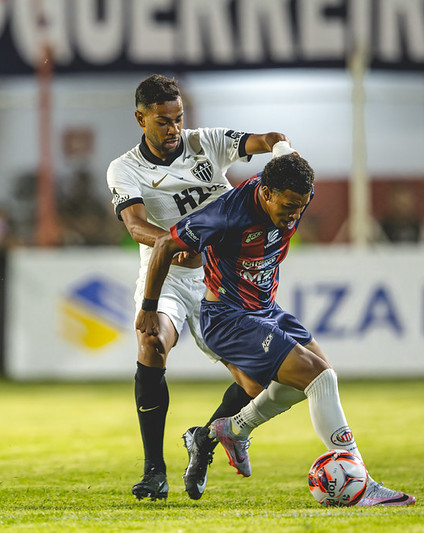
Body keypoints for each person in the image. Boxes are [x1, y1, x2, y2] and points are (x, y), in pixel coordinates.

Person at [136, 153, 416, 506]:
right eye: (288, 206)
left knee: (318, 377)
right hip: (228, 316)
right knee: (319, 378)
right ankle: (360, 480)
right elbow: (164, 244)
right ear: (266, 193)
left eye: (301, 206)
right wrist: (148, 307)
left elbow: (286, 151)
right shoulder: (227, 214)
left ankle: (229, 430)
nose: (294, 215)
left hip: (265, 309)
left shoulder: (298, 189)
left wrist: (283, 145)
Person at [106, 74, 291, 501]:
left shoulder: (205, 142)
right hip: (168, 273)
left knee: (256, 382)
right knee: (151, 342)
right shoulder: (124, 168)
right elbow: (135, 225)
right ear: (141, 119)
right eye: (163, 121)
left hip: (222, 280)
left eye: (178, 119)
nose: (173, 130)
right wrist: (176, 245)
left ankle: (205, 440)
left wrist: (285, 154)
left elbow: (267, 140)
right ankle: (154, 471)